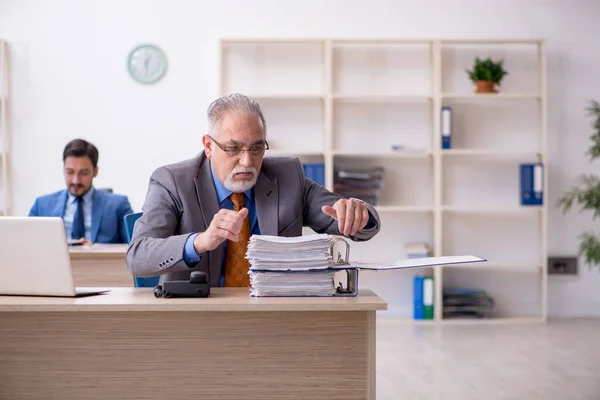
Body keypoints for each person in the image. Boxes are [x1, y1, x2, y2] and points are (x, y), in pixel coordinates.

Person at [126, 93, 381, 287]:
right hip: (197, 320)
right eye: (234, 149)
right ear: (208, 145)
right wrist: (201, 241)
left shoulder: (287, 175)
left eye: (257, 148)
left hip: (274, 317)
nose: (247, 162)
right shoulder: (172, 181)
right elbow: (138, 257)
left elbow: (349, 219)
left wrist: (359, 214)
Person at [28, 138, 134, 244]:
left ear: (95, 172)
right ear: (63, 169)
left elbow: (134, 250)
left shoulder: (119, 205)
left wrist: (95, 251)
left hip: (98, 260)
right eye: (70, 172)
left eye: (83, 173)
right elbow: (27, 244)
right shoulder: (41, 206)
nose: (76, 181)